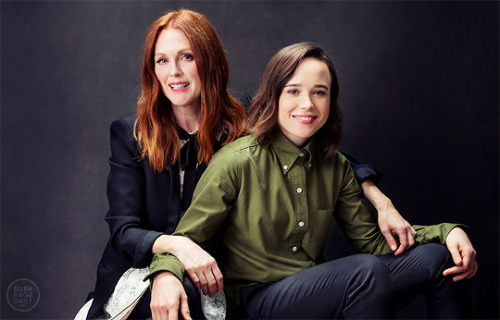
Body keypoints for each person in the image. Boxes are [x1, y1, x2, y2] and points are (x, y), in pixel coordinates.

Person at [82, 9, 417, 319]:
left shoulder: (242, 115)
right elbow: (124, 229)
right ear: (151, 69)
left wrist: (378, 198)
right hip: (144, 265)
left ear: (209, 61)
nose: (175, 72)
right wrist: (176, 248)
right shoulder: (131, 133)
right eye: (162, 61)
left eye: (187, 57)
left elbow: (316, 149)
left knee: (195, 295)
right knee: (173, 298)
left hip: (215, 270)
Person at [148, 42, 478, 320]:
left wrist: (447, 232)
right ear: (274, 96)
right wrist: (165, 273)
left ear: (330, 101)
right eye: (293, 91)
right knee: (365, 272)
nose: (307, 104)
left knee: (441, 259)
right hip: (257, 299)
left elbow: (374, 244)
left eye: (319, 92)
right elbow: (185, 239)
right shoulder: (236, 161)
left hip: (315, 286)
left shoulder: (334, 165)